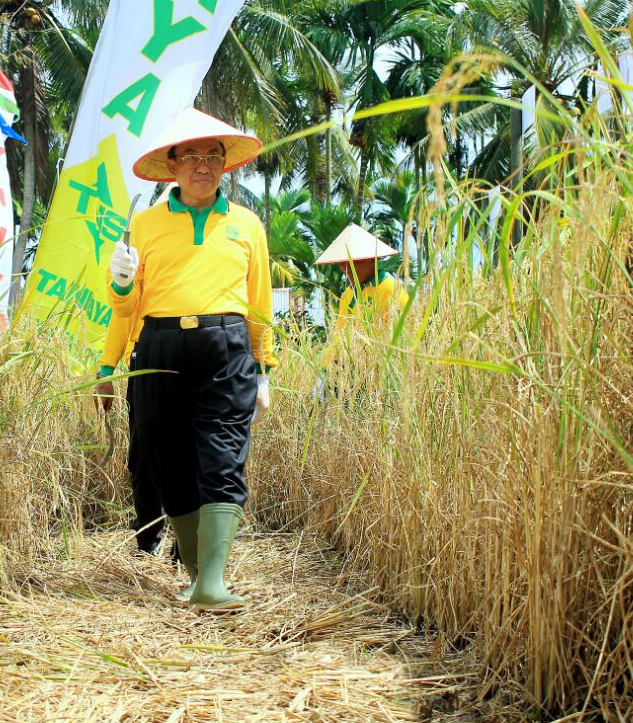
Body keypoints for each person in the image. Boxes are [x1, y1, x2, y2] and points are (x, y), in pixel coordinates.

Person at [107, 107, 276, 613]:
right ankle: (197, 572)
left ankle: (213, 582)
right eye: (193, 157)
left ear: (225, 166)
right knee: (167, 457)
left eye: (214, 157)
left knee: (224, 457)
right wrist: (118, 281)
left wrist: (264, 368)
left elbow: (259, 305)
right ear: (173, 165)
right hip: (158, 346)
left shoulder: (247, 226)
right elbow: (126, 307)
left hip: (226, 348)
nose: (204, 166)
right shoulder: (145, 224)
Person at [94, 312, 166, 555]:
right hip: (144, 355)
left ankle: (188, 550)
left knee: (191, 453)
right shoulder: (141, 272)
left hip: (199, 353)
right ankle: (148, 542)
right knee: (143, 456)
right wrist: (105, 371)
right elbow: (123, 311)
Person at [315, 224, 410, 399]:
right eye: (343, 262)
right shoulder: (349, 294)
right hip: (343, 374)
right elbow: (339, 336)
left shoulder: (391, 290)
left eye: (354, 261)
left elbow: (402, 340)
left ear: (372, 259)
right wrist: (325, 369)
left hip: (376, 378)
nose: (348, 268)